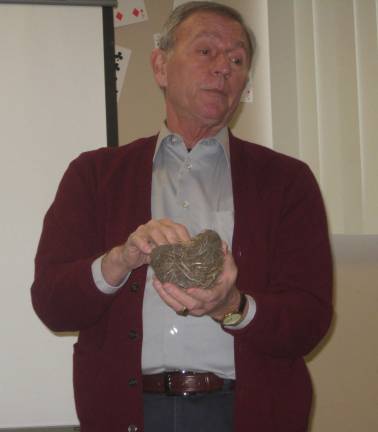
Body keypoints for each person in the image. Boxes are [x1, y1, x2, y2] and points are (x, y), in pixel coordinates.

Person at [31, 2, 333, 432]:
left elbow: (310, 319)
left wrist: (232, 306)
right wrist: (120, 259)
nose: (224, 68)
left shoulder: (288, 181)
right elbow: (52, 304)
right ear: (160, 66)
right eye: (206, 51)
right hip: (126, 413)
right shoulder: (95, 174)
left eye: (237, 59)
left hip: (248, 414)